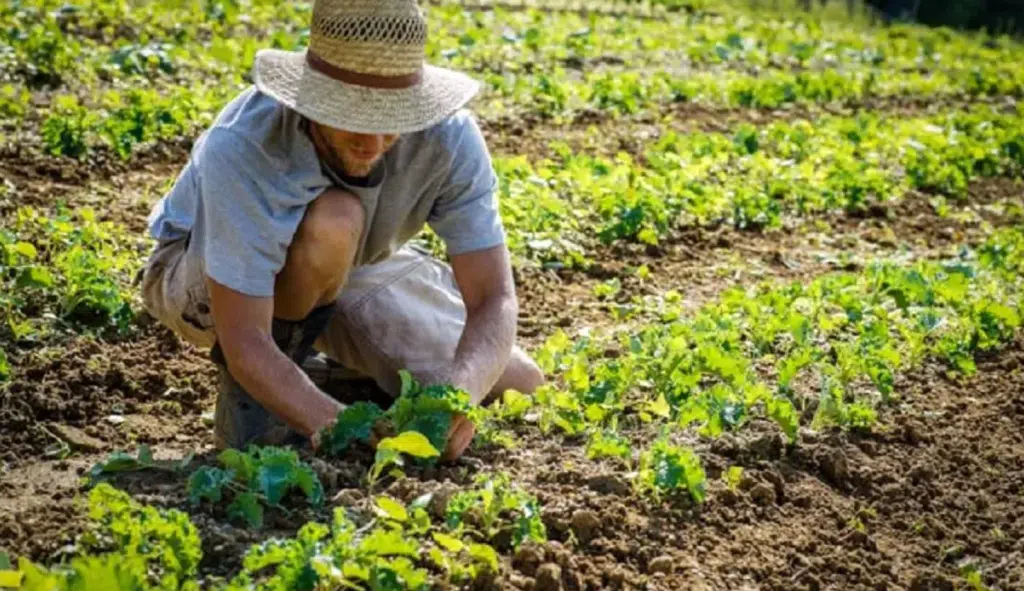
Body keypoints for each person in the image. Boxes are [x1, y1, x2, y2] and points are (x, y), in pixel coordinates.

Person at [140, 0, 544, 461]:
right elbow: (246, 339)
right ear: (313, 97)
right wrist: (342, 426)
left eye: (390, 118)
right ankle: (257, 412)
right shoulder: (246, 143)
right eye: (351, 116)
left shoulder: (448, 138)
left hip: (348, 266)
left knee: (516, 379)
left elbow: (494, 298)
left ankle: (323, 378)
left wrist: (460, 394)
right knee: (336, 218)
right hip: (205, 274)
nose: (371, 142)